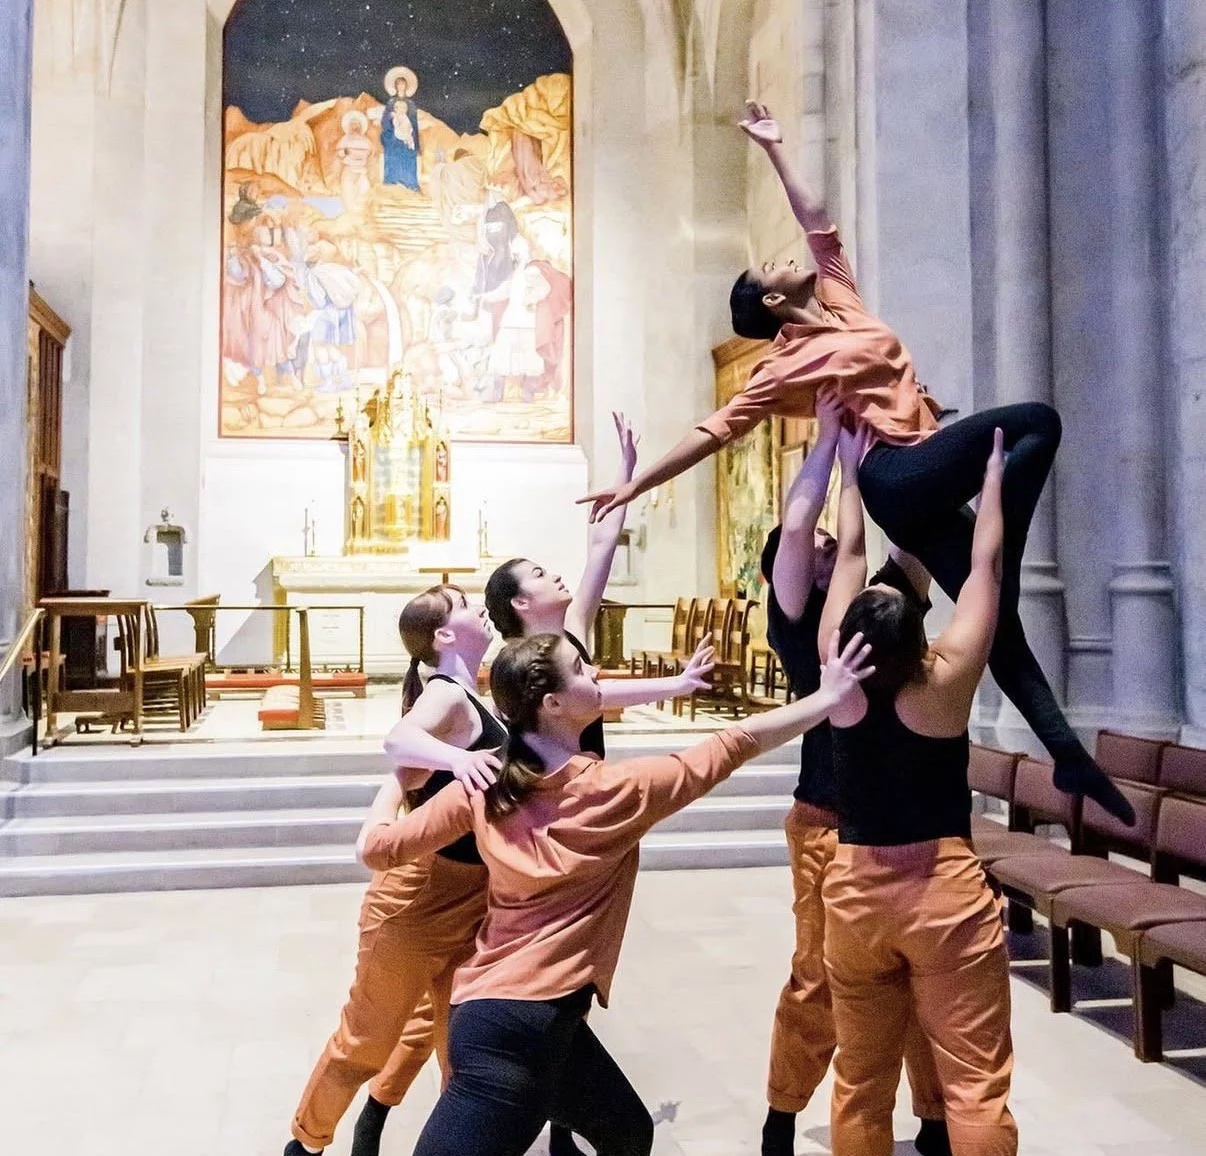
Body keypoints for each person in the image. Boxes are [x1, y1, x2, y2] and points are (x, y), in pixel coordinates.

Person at [580, 101, 1130, 826]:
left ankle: (1065, 750)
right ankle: (1006, 555)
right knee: (1036, 423)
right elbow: (715, 430)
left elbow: (817, 219)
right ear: (774, 300)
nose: (790, 256)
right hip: (893, 475)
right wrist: (636, 481)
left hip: (922, 467)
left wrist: (776, 148)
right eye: (773, 267)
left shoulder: (841, 299)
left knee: (995, 616)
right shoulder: (783, 364)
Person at [355, 625, 876, 1156]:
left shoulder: (486, 785)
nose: (595, 674)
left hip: (513, 1019)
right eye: (580, 670)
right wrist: (826, 698)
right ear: (554, 703)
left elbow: (376, 849)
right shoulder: (616, 792)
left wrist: (398, 781)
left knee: (627, 1131)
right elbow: (734, 743)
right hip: (517, 1034)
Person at [759, 392, 950, 1156]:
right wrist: (835, 447)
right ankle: (781, 1112)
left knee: (921, 982)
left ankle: (935, 1118)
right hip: (828, 820)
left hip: (912, 826)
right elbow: (801, 528)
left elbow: (924, 545)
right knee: (818, 978)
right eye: (810, 552)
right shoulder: (805, 624)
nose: (828, 547)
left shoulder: (887, 609)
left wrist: (924, 443)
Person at [821, 428, 1016, 1156]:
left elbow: (846, 553)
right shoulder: (945, 679)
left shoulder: (834, 679)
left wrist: (848, 472)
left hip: (858, 893)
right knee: (973, 1082)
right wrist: (988, 478)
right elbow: (984, 564)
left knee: (861, 1078)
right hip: (943, 892)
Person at [284, 584, 503, 1156]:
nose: (479, 603)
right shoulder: (447, 695)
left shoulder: (472, 694)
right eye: (463, 603)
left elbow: (406, 771)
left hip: (472, 894)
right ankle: (305, 1145)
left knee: (463, 1047)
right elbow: (397, 739)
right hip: (415, 901)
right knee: (364, 1042)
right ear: (444, 636)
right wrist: (457, 759)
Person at [486, 411, 708, 757]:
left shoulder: (574, 625)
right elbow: (599, 695)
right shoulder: (517, 662)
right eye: (539, 575)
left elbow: (603, 544)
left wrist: (627, 476)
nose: (556, 576)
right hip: (549, 787)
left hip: (590, 775)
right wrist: (678, 684)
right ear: (520, 602)